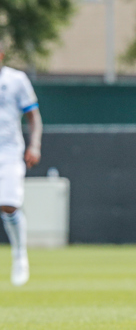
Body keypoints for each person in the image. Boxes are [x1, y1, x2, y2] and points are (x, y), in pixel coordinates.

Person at [0, 41, 42, 286]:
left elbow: (33, 116)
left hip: (8, 150)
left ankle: (19, 254)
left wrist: (34, 145)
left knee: (8, 204)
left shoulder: (16, 79)